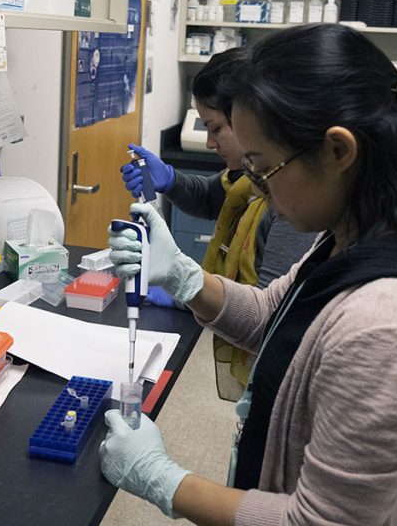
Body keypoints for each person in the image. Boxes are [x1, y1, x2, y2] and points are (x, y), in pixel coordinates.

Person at [102, 24, 397, 524]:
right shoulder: (355, 233)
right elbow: (271, 317)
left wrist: (163, 479)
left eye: (262, 169)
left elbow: (318, 522)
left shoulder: (392, 327)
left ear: (339, 150)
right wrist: (183, 276)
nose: (256, 190)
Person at [121, 47, 316, 401]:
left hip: (277, 367)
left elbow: (268, 315)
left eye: (216, 128)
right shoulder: (247, 179)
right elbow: (216, 197)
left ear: (250, 120)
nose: (210, 143)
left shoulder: (291, 201)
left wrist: (185, 285)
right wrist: (169, 179)